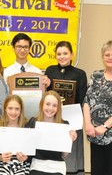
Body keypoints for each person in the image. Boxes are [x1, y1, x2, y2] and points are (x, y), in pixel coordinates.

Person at [45, 41, 87, 175]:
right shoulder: (50, 70)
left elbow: (82, 99)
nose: (62, 56)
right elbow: (46, 96)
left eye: (65, 53)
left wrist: (72, 118)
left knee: (71, 155)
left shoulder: (80, 74)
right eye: (59, 54)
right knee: (52, 152)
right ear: (55, 56)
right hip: (53, 118)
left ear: (71, 54)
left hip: (72, 119)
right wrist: (44, 85)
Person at [26, 90, 77, 175]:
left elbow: (65, 154)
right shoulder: (33, 122)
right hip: (37, 165)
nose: (50, 108)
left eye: (54, 106)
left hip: (57, 167)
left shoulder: (64, 124)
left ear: (58, 108)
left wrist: (70, 140)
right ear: (42, 104)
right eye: (47, 104)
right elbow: (27, 148)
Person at [83, 40, 112, 175]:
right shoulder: (95, 76)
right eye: (107, 54)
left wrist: (105, 127)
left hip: (109, 133)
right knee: (97, 171)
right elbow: (87, 101)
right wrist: (88, 124)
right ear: (102, 57)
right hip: (95, 134)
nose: (110, 57)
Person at [0, 95, 30, 175]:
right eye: (10, 108)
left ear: (21, 110)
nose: (13, 112)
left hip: (22, 165)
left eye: (17, 109)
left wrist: (26, 158)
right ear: (5, 109)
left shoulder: (27, 127)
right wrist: (0, 157)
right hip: (3, 164)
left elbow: (31, 152)